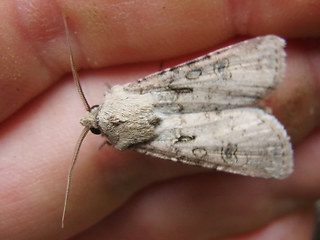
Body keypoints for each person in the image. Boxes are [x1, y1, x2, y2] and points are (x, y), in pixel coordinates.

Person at [1, 1, 319, 239]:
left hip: (176, 140)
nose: (92, 120)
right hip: (172, 88)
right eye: (96, 123)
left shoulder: (127, 144)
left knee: (214, 146)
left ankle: (260, 134)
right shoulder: (130, 93)